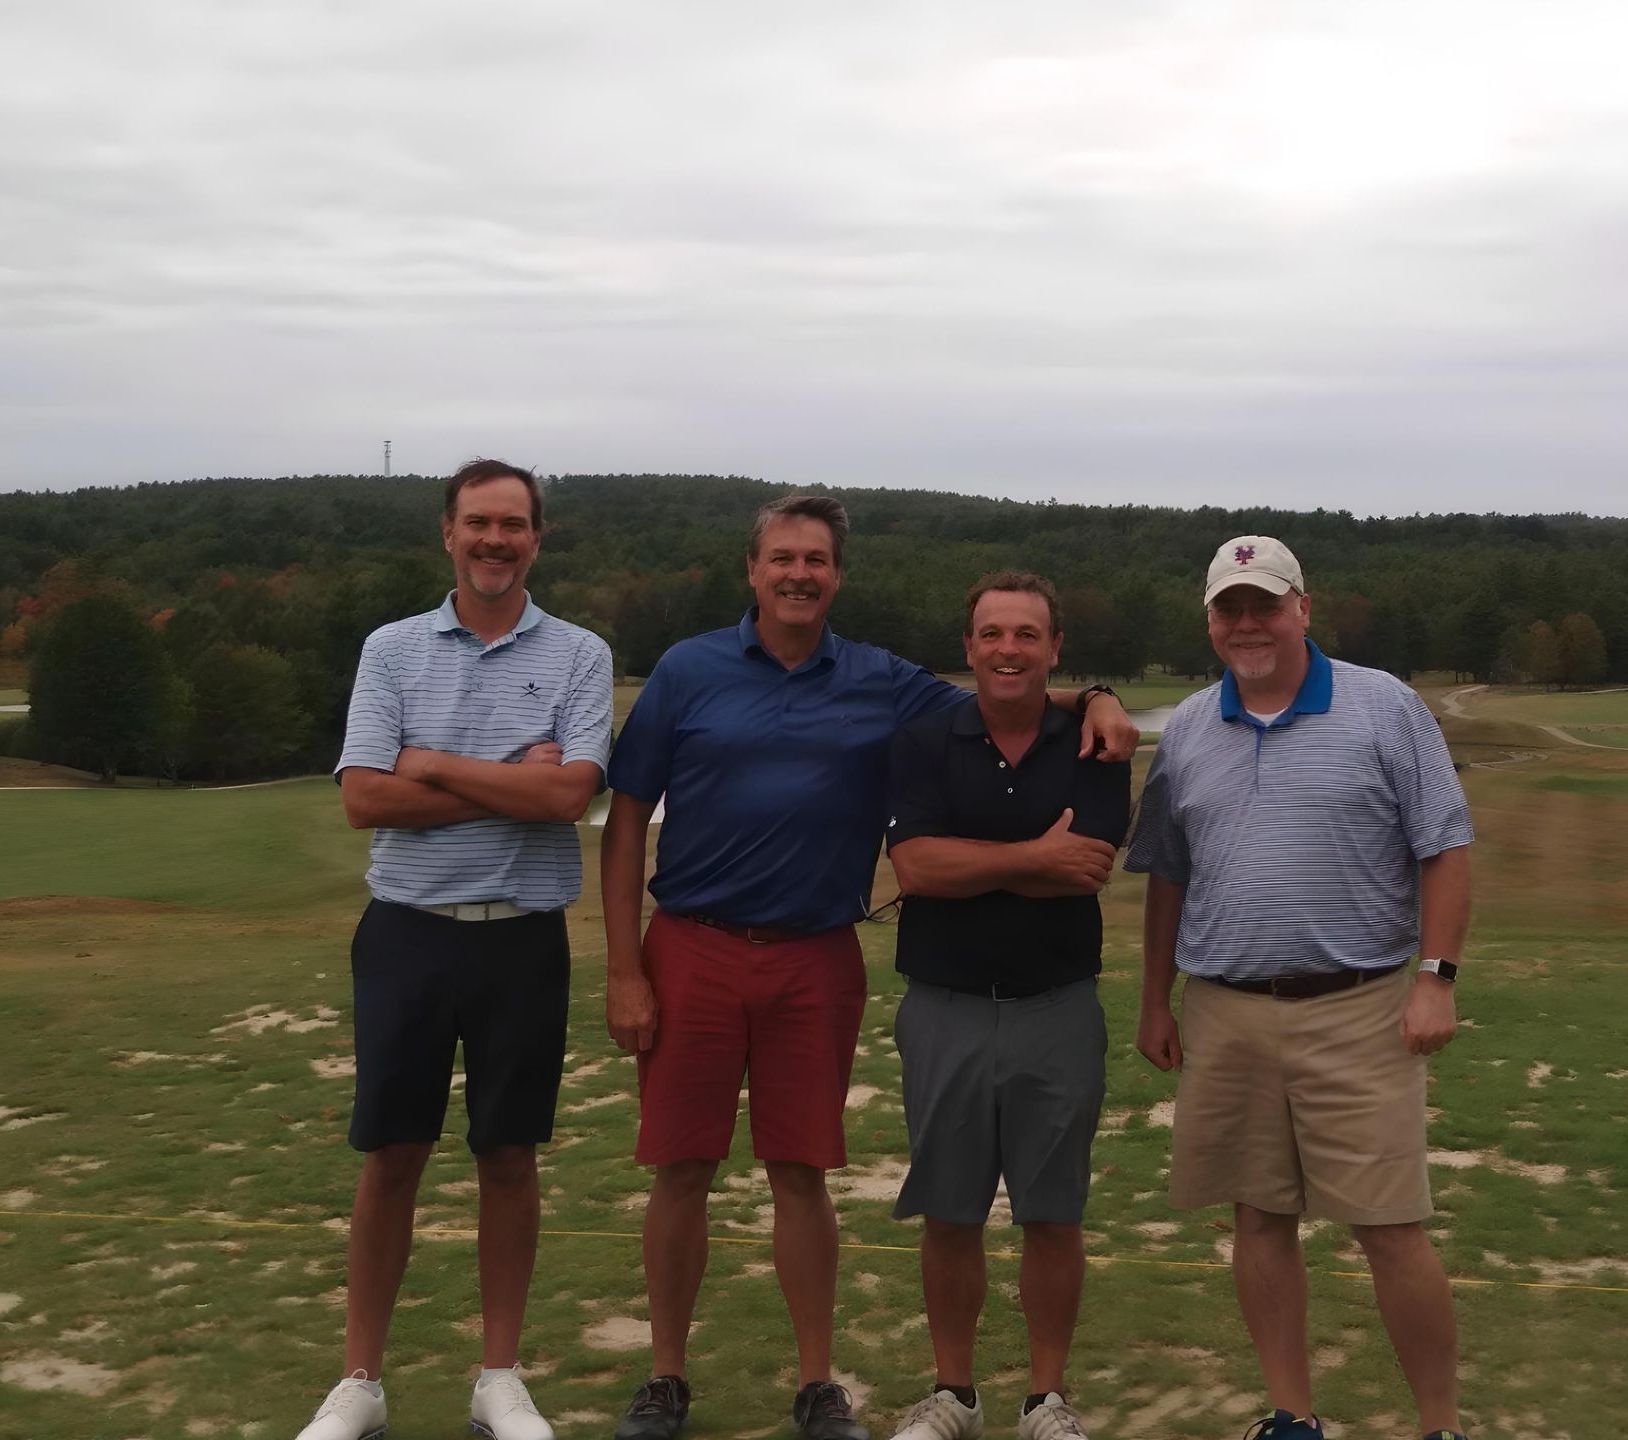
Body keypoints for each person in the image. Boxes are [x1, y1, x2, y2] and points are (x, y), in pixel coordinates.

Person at [600, 496, 1138, 1440]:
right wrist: (623, 970)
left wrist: (1092, 696)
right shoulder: (689, 670)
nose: (799, 573)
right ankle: (666, 1377)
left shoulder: (882, 679)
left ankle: (818, 1386)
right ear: (754, 570)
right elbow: (625, 821)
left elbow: (1004, 691)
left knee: (799, 1170)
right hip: (690, 944)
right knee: (681, 1167)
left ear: (837, 575)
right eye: (782, 557)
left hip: (815, 952)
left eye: (816, 559)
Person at [1126, 535, 1474, 1440]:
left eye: (1264, 605)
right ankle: (1292, 1415)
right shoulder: (1193, 727)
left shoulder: (1384, 706)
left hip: (1358, 1006)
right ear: (1209, 621)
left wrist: (1435, 978)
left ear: (1302, 609)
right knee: (1259, 1218)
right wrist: (1154, 999)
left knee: (1390, 1228)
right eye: (1228, 609)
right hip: (1228, 1008)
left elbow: (1445, 846)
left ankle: (1440, 1425)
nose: (1247, 624)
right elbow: (1166, 873)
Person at [292, 459, 612, 1440]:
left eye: (513, 524)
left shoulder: (579, 655)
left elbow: (570, 797)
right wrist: (501, 779)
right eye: (478, 522)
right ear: (448, 532)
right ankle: (361, 1383)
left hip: (522, 942)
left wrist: (429, 764)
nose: (495, 540)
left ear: (536, 539)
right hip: (407, 938)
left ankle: (499, 1378)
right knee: (392, 1155)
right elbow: (364, 798)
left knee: (507, 1156)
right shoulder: (391, 651)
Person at [882, 572, 1131, 1440]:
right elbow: (915, 870)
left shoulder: (1099, 742)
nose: (1009, 649)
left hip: (1058, 1008)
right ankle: (954, 1394)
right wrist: (1031, 857)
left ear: (1056, 648)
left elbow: (1088, 863)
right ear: (969, 646)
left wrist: (973, 858)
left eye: (1028, 634)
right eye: (992, 633)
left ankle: (1046, 1401)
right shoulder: (920, 741)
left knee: (1052, 1213)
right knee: (950, 1211)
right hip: (943, 1005)